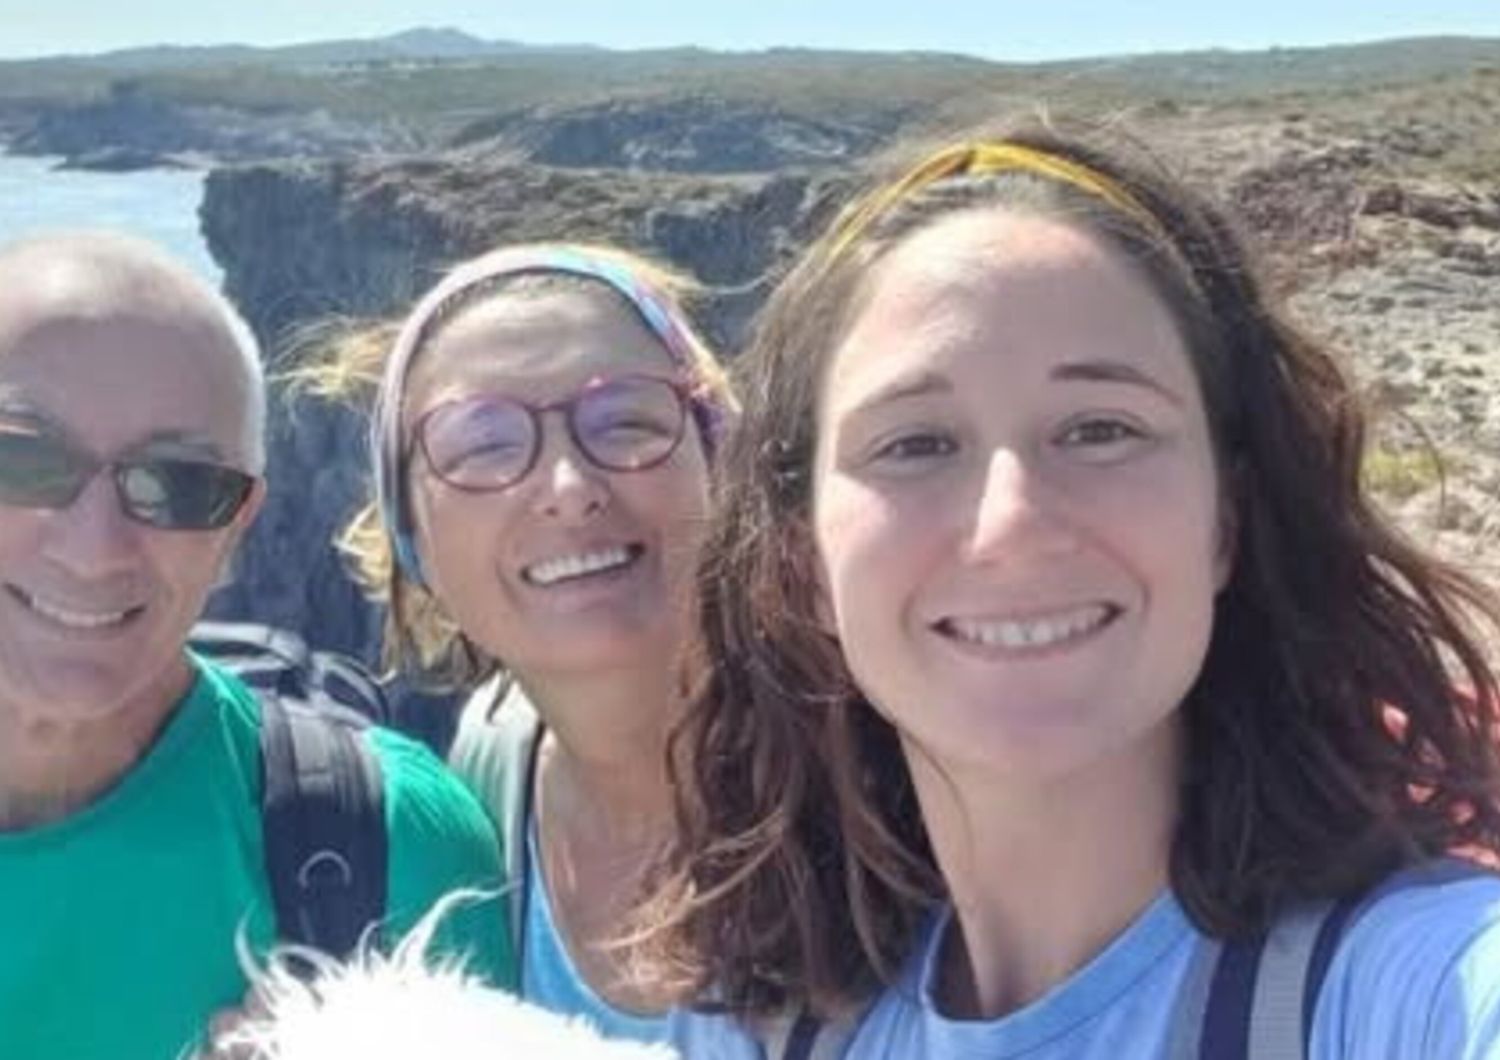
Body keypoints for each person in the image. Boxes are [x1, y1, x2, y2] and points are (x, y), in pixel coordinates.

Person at [639, 123, 1500, 1058]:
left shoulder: (1410, 998)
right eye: (916, 444)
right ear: (802, 567)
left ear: (1225, 523)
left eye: (1100, 428)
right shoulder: (758, 1027)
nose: (1012, 523)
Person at [0, 232, 513, 1060]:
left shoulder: (386, 846)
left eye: (178, 485)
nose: (93, 547)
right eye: (21, 458)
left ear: (237, 528)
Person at [306, 243, 758, 1056]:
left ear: (719, 463)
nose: (568, 487)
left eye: (625, 423)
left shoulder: (883, 783)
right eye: (482, 445)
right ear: (412, 540)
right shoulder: (488, 764)